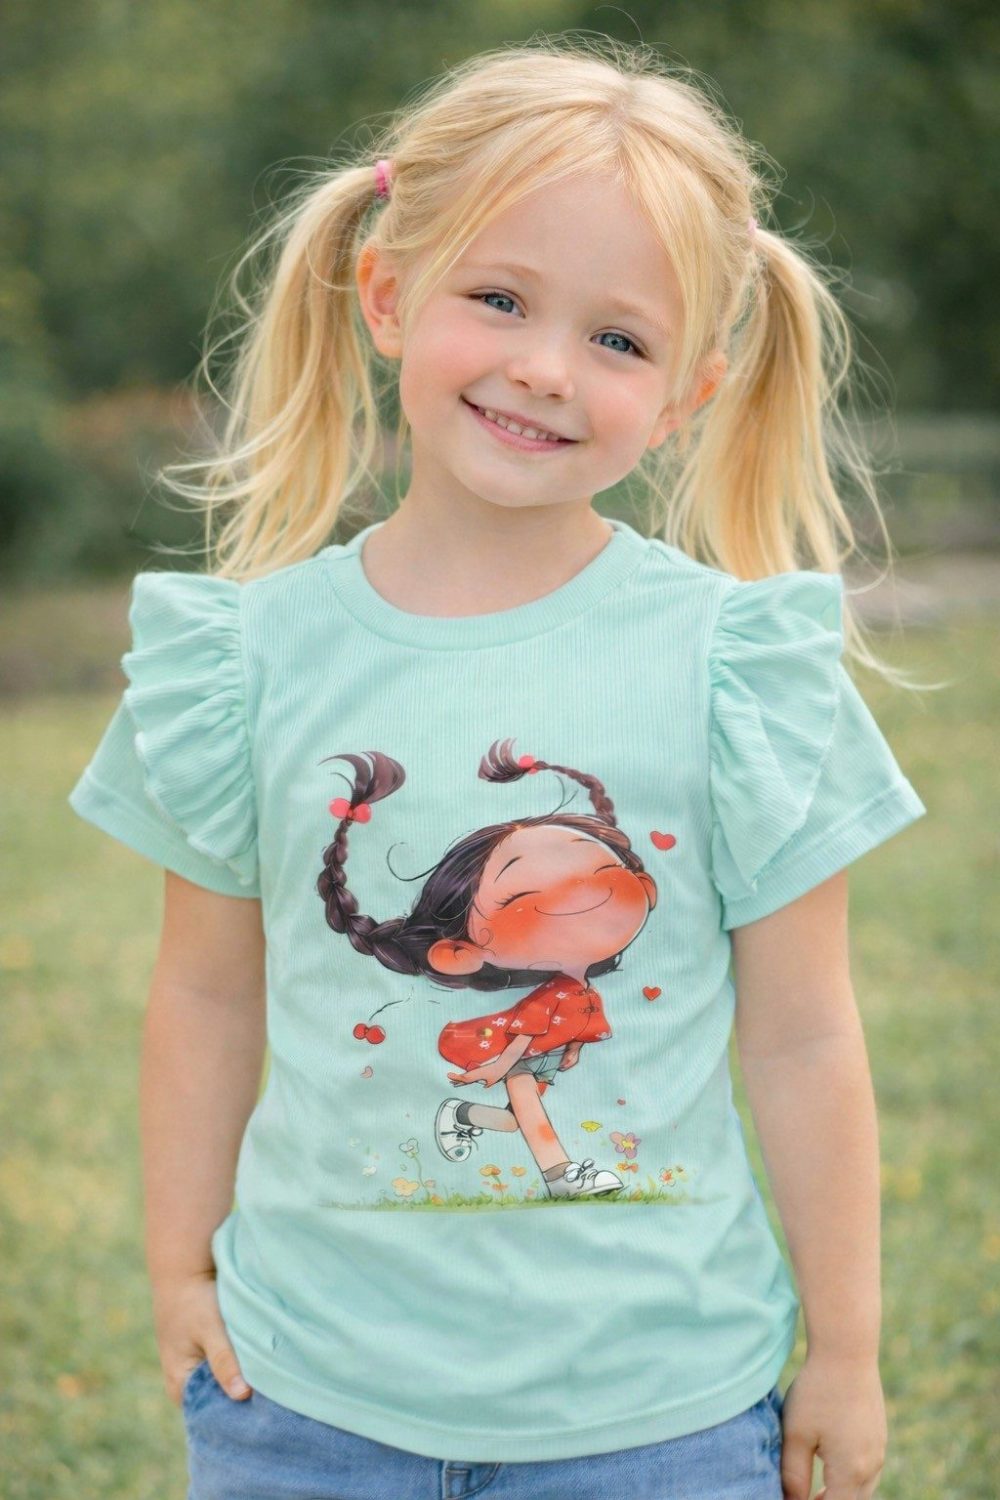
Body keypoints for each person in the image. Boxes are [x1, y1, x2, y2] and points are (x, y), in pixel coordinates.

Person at [68, 35, 932, 1500]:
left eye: (619, 340)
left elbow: (802, 1035)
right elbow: (208, 995)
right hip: (303, 1405)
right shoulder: (252, 660)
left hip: (660, 1417)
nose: (545, 367)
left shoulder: (732, 666)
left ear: (690, 392)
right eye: (501, 299)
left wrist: (846, 1349)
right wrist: (176, 1269)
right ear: (388, 294)